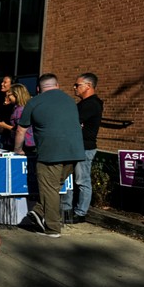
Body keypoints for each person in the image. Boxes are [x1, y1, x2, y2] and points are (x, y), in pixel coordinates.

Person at [14, 73, 85, 238]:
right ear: (57, 85)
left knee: (49, 189)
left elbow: (21, 130)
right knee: (53, 187)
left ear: (38, 88)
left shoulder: (34, 101)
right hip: (75, 153)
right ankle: (38, 212)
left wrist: (18, 149)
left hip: (50, 153)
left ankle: (52, 228)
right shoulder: (70, 101)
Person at [62, 73, 104, 223]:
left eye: (77, 85)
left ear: (88, 86)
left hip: (85, 148)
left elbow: (72, 124)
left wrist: (75, 125)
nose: (74, 87)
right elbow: (71, 124)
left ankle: (80, 213)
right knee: (68, 180)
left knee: (82, 180)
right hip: (74, 147)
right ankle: (66, 210)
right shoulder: (81, 104)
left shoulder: (92, 104)